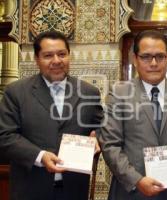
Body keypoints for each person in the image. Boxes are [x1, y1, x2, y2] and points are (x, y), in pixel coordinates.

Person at [0, 31, 103, 200]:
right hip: (30, 189)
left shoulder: (88, 92)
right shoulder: (16, 92)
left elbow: (101, 127)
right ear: (37, 59)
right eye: (48, 55)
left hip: (74, 190)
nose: (56, 60)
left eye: (62, 54)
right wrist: (40, 156)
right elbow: (5, 136)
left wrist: (98, 137)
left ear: (69, 56)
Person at [99, 30, 167, 200]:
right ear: (135, 59)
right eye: (146, 57)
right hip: (133, 191)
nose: (153, 63)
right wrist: (137, 180)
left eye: (160, 56)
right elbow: (110, 145)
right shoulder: (119, 93)